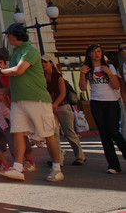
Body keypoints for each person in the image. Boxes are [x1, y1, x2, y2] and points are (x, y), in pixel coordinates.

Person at [0, 23, 65, 182]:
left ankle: (56, 169)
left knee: (48, 134)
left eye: (9, 34)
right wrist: (6, 91)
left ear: (15, 35)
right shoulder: (16, 53)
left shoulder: (30, 51)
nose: (8, 37)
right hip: (18, 100)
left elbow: (18, 71)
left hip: (37, 100)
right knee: (18, 132)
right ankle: (18, 167)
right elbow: (17, 78)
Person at [78, 43, 126, 173]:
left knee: (114, 132)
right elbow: (82, 88)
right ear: (89, 54)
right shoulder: (87, 68)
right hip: (96, 102)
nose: (96, 54)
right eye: (93, 52)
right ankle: (113, 165)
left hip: (111, 102)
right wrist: (82, 74)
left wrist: (109, 73)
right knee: (104, 135)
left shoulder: (109, 66)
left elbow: (116, 86)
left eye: (99, 51)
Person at [41, 55, 85, 165]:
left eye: (46, 62)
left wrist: (55, 104)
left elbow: (63, 93)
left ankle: (80, 156)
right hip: (50, 108)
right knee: (54, 133)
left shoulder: (58, 77)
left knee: (69, 132)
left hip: (62, 106)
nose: (43, 64)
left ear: (51, 63)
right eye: (42, 62)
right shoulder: (41, 78)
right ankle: (57, 159)